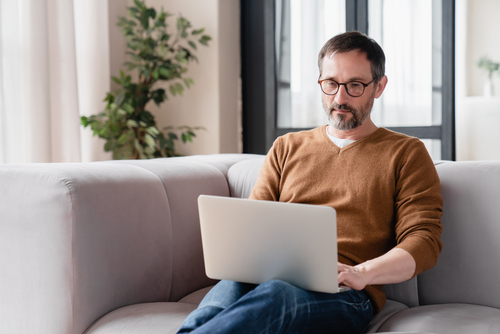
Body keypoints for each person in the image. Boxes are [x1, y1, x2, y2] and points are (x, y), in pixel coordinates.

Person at [177, 31, 443, 334]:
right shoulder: (286, 146)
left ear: (379, 86)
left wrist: (361, 272)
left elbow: (423, 242)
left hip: (347, 295)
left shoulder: (406, 153)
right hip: (268, 278)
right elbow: (252, 226)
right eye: (330, 84)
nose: (339, 98)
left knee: (277, 297)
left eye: (355, 85)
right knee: (220, 300)